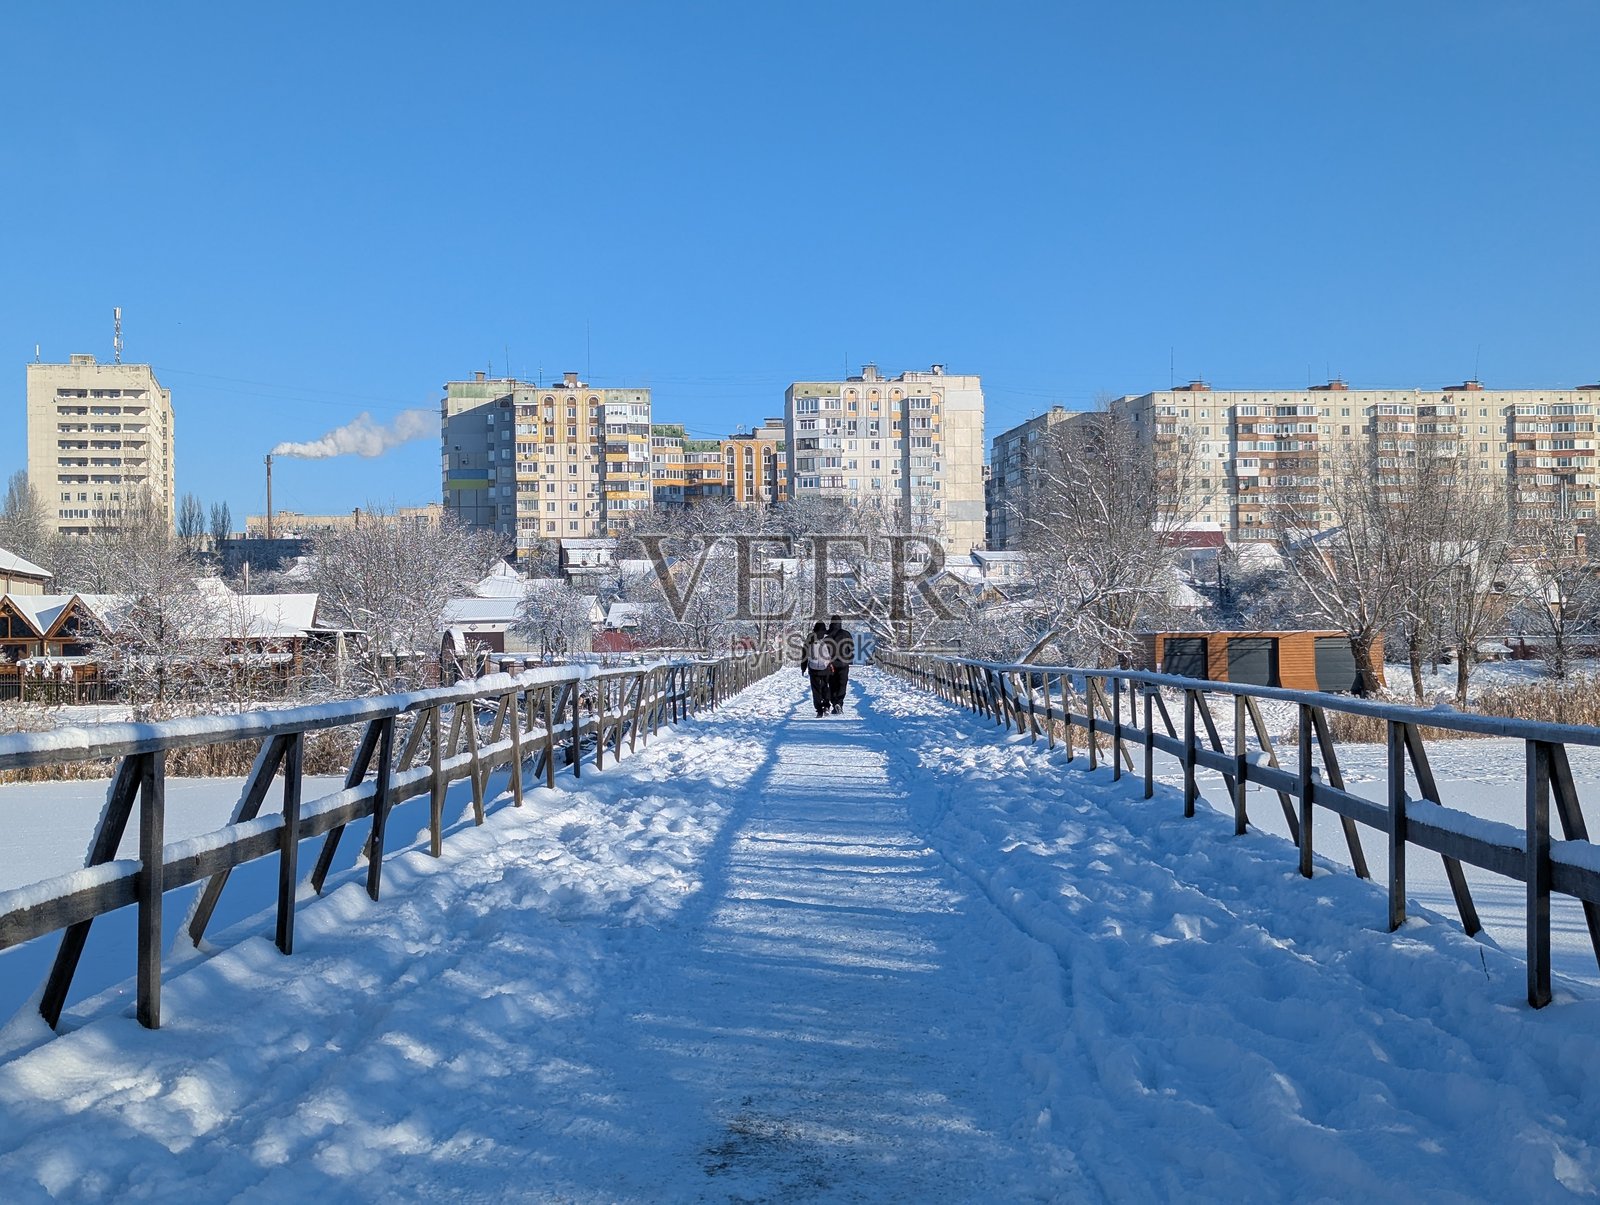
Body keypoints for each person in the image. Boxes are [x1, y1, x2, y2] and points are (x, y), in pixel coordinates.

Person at [800, 620, 832, 717]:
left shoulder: (810, 638)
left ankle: (819, 710)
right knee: (825, 686)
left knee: (816, 689)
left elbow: (804, 654)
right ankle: (826, 706)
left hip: (813, 669)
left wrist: (803, 667)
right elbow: (832, 653)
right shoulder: (827, 638)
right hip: (825, 668)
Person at [826, 615, 854, 714]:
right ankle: (839, 702)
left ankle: (834, 703)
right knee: (842, 684)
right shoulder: (846, 634)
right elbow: (851, 648)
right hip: (843, 663)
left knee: (832, 684)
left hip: (830, 664)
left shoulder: (827, 635)